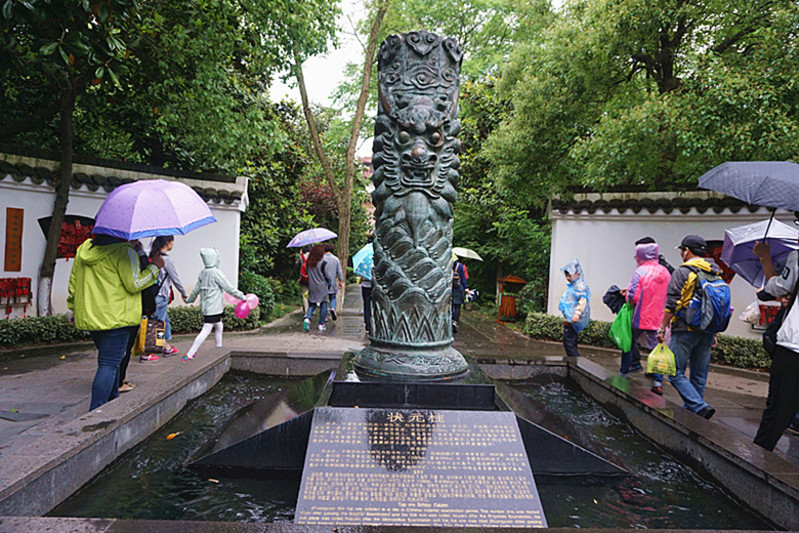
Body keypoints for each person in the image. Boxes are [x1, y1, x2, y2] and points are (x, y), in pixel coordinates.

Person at [67, 233, 163, 411]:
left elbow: (74, 283)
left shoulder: (85, 249)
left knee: (112, 362)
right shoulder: (125, 252)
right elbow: (134, 283)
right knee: (109, 365)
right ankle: (96, 412)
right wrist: (154, 268)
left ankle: (113, 403)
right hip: (118, 318)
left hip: (92, 316)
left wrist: (73, 308)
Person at [656, 235, 719, 419]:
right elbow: (715, 304)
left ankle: (699, 406)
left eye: (682, 250)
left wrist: (662, 327)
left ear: (688, 250)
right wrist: (714, 332)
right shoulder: (715, 271)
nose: (682, 254)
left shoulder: (683, 272)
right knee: (699, 376)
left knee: (674, 372)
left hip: (685, 329)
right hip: (707, 329)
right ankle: (695, 416)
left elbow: (672, 303)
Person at [751, 238, 799, 450]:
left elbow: (778, 287)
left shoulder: (797, 256)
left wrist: (764, 258)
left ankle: (754, 467)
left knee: (778, 410)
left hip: (794, 345)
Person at [621, 241, 671, 395]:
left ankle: (624, 373)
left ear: (641, 255)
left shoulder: (640, 271)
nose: (636, 258)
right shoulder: (665, 272)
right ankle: (657, 381)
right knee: (658, 349)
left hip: (641, 316)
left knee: (628, 343)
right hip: (660, 318)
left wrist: (626, 297)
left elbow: (633, 296)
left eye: (637, 255)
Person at [184, 248, 245, 360]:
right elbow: (229, 288)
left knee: (219, 325)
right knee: (206, 329)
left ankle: (219, 348)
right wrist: (242, 296)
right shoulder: (217, 273)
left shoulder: (203, 273)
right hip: (214, 309)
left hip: (207, 308)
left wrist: (189, 300)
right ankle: (191, 352)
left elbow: (196, 290)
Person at [150, 236, 188, 356]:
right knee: (158, 324)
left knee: (164, 320)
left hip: (154, 294)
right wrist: (183, 292)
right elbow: (175, 278)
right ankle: (153, 350)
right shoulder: (166, 260)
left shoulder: (153, 256)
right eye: (172, 242)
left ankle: (166, 346)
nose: (173, 244)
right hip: (161, 295)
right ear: (167, 243)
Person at [559, 258, 590, 357]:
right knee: (570, 342)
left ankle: (576, 362)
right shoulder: (573, 286)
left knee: (569, 343)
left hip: (572, 319)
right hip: (569, 319)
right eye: (566, 275)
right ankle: (574, 361)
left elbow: (583, 301)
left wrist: (577, 313)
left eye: (569, 275)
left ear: (577, 274)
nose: (568, 277)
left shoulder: (579, 287)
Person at [323, 243, 344, 321]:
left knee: (324, 300)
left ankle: (324, 316)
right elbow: (339, 271)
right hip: (332, 282)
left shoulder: (321, 259)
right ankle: (332, 308)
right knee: (333, 297)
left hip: (323, 282)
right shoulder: (336, 259)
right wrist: (341, 280)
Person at [452, 258, 468, 334]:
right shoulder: (460, 266)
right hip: (458, 288)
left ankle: (450, 319)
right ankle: (455, 321)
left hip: (449, 289)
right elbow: (463, 278)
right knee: (457, 306)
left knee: (449, 305)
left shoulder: (447, 265)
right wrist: (466, 287)